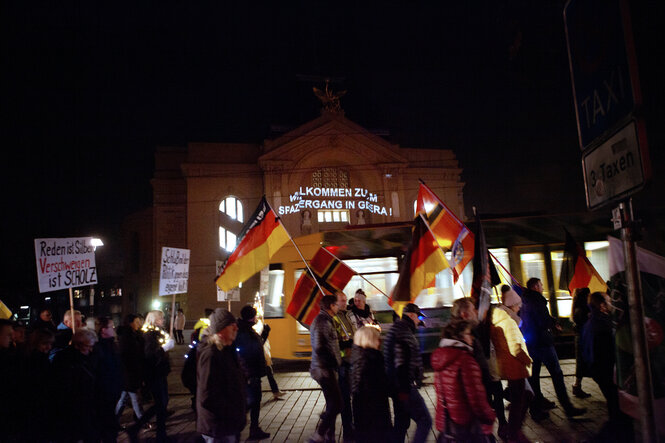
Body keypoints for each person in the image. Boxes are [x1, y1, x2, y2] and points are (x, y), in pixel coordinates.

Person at [520, 278, 586, 419]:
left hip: (531, 344)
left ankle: (536, 410)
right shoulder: (538, 300)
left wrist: (551, 321)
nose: (543, 287)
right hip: (543, 344)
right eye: (541, 285)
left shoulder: (525, 300)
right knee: (557, 374)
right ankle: (568, 407)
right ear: (536, 286)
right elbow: (542, 321)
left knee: (534, 378)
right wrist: (553, 324)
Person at [432, 319, 496, 443]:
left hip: (446, 422)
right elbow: (476, 398)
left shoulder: (440, 358)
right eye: (468, 333)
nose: (471, 337)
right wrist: (489, 416)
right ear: (459, 337)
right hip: (466, 425)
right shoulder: (466, 360)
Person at [451, 297, 506, 437]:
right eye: (473, 309)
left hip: (484, 382)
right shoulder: (464, 336)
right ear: (464, 314)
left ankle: (501, 427)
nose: (477, 311)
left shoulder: (470, 330)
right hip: (476, 395)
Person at [582, 292, 632, 440]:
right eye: (610, 302)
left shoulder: (590, 323)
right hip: (607, 371)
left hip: (598, 370)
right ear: (602, 306)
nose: (612, 305)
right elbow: (611, 350)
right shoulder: (604, 325)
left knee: (615, 407)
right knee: (618, 409)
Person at [383, 303, 432, 443]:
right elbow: (401, 364)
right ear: (411, 315)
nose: (419, 321)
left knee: (401, 422)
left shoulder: (399, 329)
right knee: (425, 420)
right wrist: (405, 391)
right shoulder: (403, 332)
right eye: (418, 317)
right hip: (403, 387)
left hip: (397, 386)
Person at [197, 308, 247, 442]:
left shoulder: (227, 350)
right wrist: (231, 411)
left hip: (229, 425)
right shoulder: (211, 355)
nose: (236, 328)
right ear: (220, 330)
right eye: (231, 325)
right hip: (219, 427)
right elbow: (207, 396)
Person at [494, 286, 533, 443]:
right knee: (522, 398)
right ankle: (514, 433)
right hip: (515, 366)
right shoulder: (509, 322)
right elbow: (516, 347)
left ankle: (514, 431)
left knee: (521, 398)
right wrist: (528, 360)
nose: (519, 308)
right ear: (511, 305)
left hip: (508, 366)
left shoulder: (500, 319)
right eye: (517, 305)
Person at [129, 310, 174, 442]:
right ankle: (156, 433)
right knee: (161, 403)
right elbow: (150, 355)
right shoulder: (149, 334)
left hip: (160, 372)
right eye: (161, 318)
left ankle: (159, 432)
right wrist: (164, 348)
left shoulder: (157, 333)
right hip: (154, 374)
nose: (163, 320)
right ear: (154, 320)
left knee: (162, 403)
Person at [51, 328, 99, 442]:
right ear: (78, 345)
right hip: (72, 408)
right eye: (88, 346)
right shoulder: (65, 359)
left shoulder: (88, 358)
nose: (91, 350)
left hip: (86, 406)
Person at [309, 294, 343, 443]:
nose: (338, 306)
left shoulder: (327, 320)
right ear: (331, 306)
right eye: (336, 304)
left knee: (333, 404)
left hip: (326, 368)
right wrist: (331, 365)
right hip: (324, 369)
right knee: (337, 404)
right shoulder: (322, 321)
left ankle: (329, 435)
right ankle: (319, 434)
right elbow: (320, 347)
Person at [350, 326, 392, 442]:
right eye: (377, 338)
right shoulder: (373, 358)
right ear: (371, 339)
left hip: (360, 410)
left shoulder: (356, 356)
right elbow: (379, 385)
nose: (380, 341)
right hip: (375, 411)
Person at [235, 305, 271, 440]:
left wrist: (264, 334)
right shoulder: (244, 332)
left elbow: (256, 345)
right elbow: (250, 351)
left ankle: (253, 428)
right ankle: (242, 429)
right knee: (252, 403)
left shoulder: (247, 330)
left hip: (252, 373)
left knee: (253, 402)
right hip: (250, 374)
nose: (257, 318)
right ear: (251, 317)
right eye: (255, 315)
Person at [95, 317, 123, 442]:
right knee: (107, 425)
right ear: (103, 330)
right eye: (111, 327)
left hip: (113, 389)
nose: (114, 329)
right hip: (106, 391)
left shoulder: (113, 344)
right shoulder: (99, 348)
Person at [116, 314, 146, 425]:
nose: (139, 324)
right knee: (135, 397)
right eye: (137, 322)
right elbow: (128, 356)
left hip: (131, 372)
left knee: (123, 399)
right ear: (130, 323)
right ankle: (141, 420)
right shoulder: (126, 336)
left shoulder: (134, 335)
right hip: (129, 372)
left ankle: (114, 421)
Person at [333, 291, 355, 442]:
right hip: (342, 363)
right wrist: (347, 344)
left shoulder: (347, 315)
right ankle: (347, 430)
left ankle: (351, 427)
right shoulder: (333, 319)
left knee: (352, 398)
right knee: (345, 400)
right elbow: (334, 343)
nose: (345, 303)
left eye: (346, 300)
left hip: (352, 361)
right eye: (342, 301)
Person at [571, 287, 592, 398]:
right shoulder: (583, 310)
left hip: (581, 338)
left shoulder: (578, 308)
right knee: (582, 364)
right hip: (583, 339)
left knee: (581, 364)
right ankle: (577, 386)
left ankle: (577, 386)